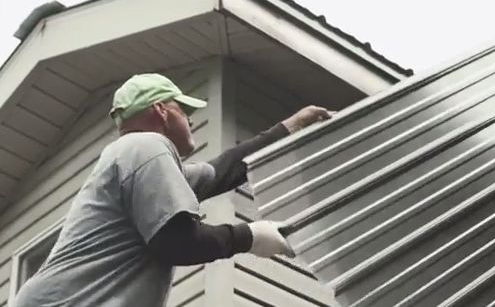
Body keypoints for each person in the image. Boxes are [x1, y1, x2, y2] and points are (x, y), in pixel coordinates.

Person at [13, 73, 332, 307]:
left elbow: (223, 171)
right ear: (162, 110)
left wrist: (290, 127)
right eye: (185, 112)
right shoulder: (146, 146)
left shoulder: (136, 160)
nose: (191, 122)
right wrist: (252, 236)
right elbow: (175, 242)